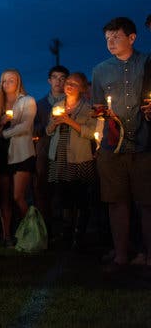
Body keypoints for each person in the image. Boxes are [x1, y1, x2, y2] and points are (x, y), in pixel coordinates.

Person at [92, 17, 151, 271]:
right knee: (117, 202)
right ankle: (121, 255)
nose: (110, 42)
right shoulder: (100, 70)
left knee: (147, 203)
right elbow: (97, 106)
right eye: (107, 38)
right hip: (112, 147)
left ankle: (149, 255)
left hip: (144, 144)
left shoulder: (148, 64)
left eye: (115, 36)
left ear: (132, 38)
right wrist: (101, 113)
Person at [46, 72, 97, 249]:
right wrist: (54, 123)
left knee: (81, 196)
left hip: (79, 158)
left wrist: (69, 121)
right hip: (59, 157)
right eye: (68, 82)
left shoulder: (88, 108)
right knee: (63, 196)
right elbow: (48, 131)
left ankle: (79, 234)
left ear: (82, 88)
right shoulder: (57, 105)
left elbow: (92, 133)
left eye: (74, 84)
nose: (69, 85)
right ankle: (67, 232)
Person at [0, 69, 36, 247]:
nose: (7, 83)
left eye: (11, 80)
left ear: (18, 82)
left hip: (22, 152)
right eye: (4, 81)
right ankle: (7, 235)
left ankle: (30, 231)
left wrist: (5, 133)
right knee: (4, 197)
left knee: (18, 196)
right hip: (2, 152)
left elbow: (25, 125)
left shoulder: (27, 101)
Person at [33, 65, 69, 237]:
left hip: (65, 148)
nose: (58, 81)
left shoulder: (71, 103)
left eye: (62, 78)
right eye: (55, 77)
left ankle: (65, 226)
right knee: (42, 186)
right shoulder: (40, 104)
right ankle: (45, 227)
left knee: (64, 187)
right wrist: (47, 124)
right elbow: (35, 128)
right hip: (45, 148)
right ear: (49, 80)